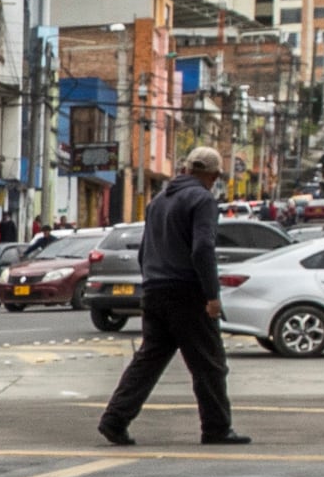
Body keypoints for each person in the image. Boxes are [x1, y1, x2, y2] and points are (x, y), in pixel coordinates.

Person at [98, 153, 247, 446]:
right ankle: (216, 428)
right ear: (211, 175)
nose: (215, 182)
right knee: (209, 363)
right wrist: (211, 295)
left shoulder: (159, 200)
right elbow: (203, 248)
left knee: (149, 360)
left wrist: (152, 279)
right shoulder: (202, 200)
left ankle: (115, 419)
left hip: (155, 289)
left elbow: (145, 251)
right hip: (186, 291)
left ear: (186, 168)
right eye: (216, 177)